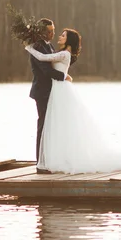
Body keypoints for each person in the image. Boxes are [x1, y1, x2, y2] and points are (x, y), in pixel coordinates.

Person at [25, 28, 121, 174]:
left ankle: (57, 159)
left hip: (60, 90)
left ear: (69, 40)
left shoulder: (63, 54)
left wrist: (28, 47)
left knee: (58, 124)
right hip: (58, 89)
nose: (59, 36)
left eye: (63, 35)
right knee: (58, 125)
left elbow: (43, 58)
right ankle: (58, 158)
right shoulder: (63, 53)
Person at [28, 18, 72, 173]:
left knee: (50, 127)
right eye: (49, 31)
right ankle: (41, 163)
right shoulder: (38, 46)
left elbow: (54, 63)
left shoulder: (49, 45)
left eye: (53, 30)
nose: (53, 33)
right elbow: (46, 71)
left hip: (51, 91)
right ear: (41, 31)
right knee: (43, 126)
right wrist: (62, 76)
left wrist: (64, 75)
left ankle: (49, 160)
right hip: (42, 91)